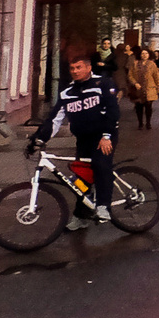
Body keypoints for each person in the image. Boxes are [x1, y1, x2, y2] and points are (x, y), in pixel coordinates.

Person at [30, 53, 120, 228]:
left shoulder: (103, 84)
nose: (75, 71)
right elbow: (54, 119)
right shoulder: (67, 92)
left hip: (103, 136)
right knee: (81, 179)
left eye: (79, 67)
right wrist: (39, 139)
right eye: (72, 68)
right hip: (83, 139)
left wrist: (106, 135)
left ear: (88, 68)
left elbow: (113, 111)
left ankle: (103, 207)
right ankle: (82, 216)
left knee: (101, 165)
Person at [123, 45, 159, 130]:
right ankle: (140, 123)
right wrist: (135, 83)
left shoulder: (152, 64)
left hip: (149, 88)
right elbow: (130, 75)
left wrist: (158, 86)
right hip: (138, 89)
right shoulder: (135, 64)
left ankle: (148, 122)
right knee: (139, 106)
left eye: (146, 53)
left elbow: (156, 76)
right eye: (142, 53)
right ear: (140, 55)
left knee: (148, 106)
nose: (144, 55)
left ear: (149, 55)